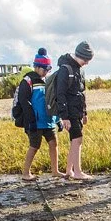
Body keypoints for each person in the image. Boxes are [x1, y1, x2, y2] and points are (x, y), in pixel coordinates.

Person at [17, 49, 63, 180]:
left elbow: (53, 100)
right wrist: (30, 120)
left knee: (54, 143)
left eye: (48, 69)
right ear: (36, 67)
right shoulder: (28, 80)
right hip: (35, 122)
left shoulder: (47, 81)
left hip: (49, 120)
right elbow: (24, 101)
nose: (46, 72)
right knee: (34, 146)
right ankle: (26, 173)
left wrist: (58, 119)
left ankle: (55, 170)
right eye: (44, 69)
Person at [50, 42, 93, 181]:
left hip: (78, 111)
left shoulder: (80, 69)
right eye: (85, 60)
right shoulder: (65, 69)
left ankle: (69, 171)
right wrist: (65, 117)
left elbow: (82, 92)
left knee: (75, 140)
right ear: (79, 55)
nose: (86, 63)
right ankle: (78, 172)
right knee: (77, 139)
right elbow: (60, 94)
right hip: (69, 112)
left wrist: (84, 112)